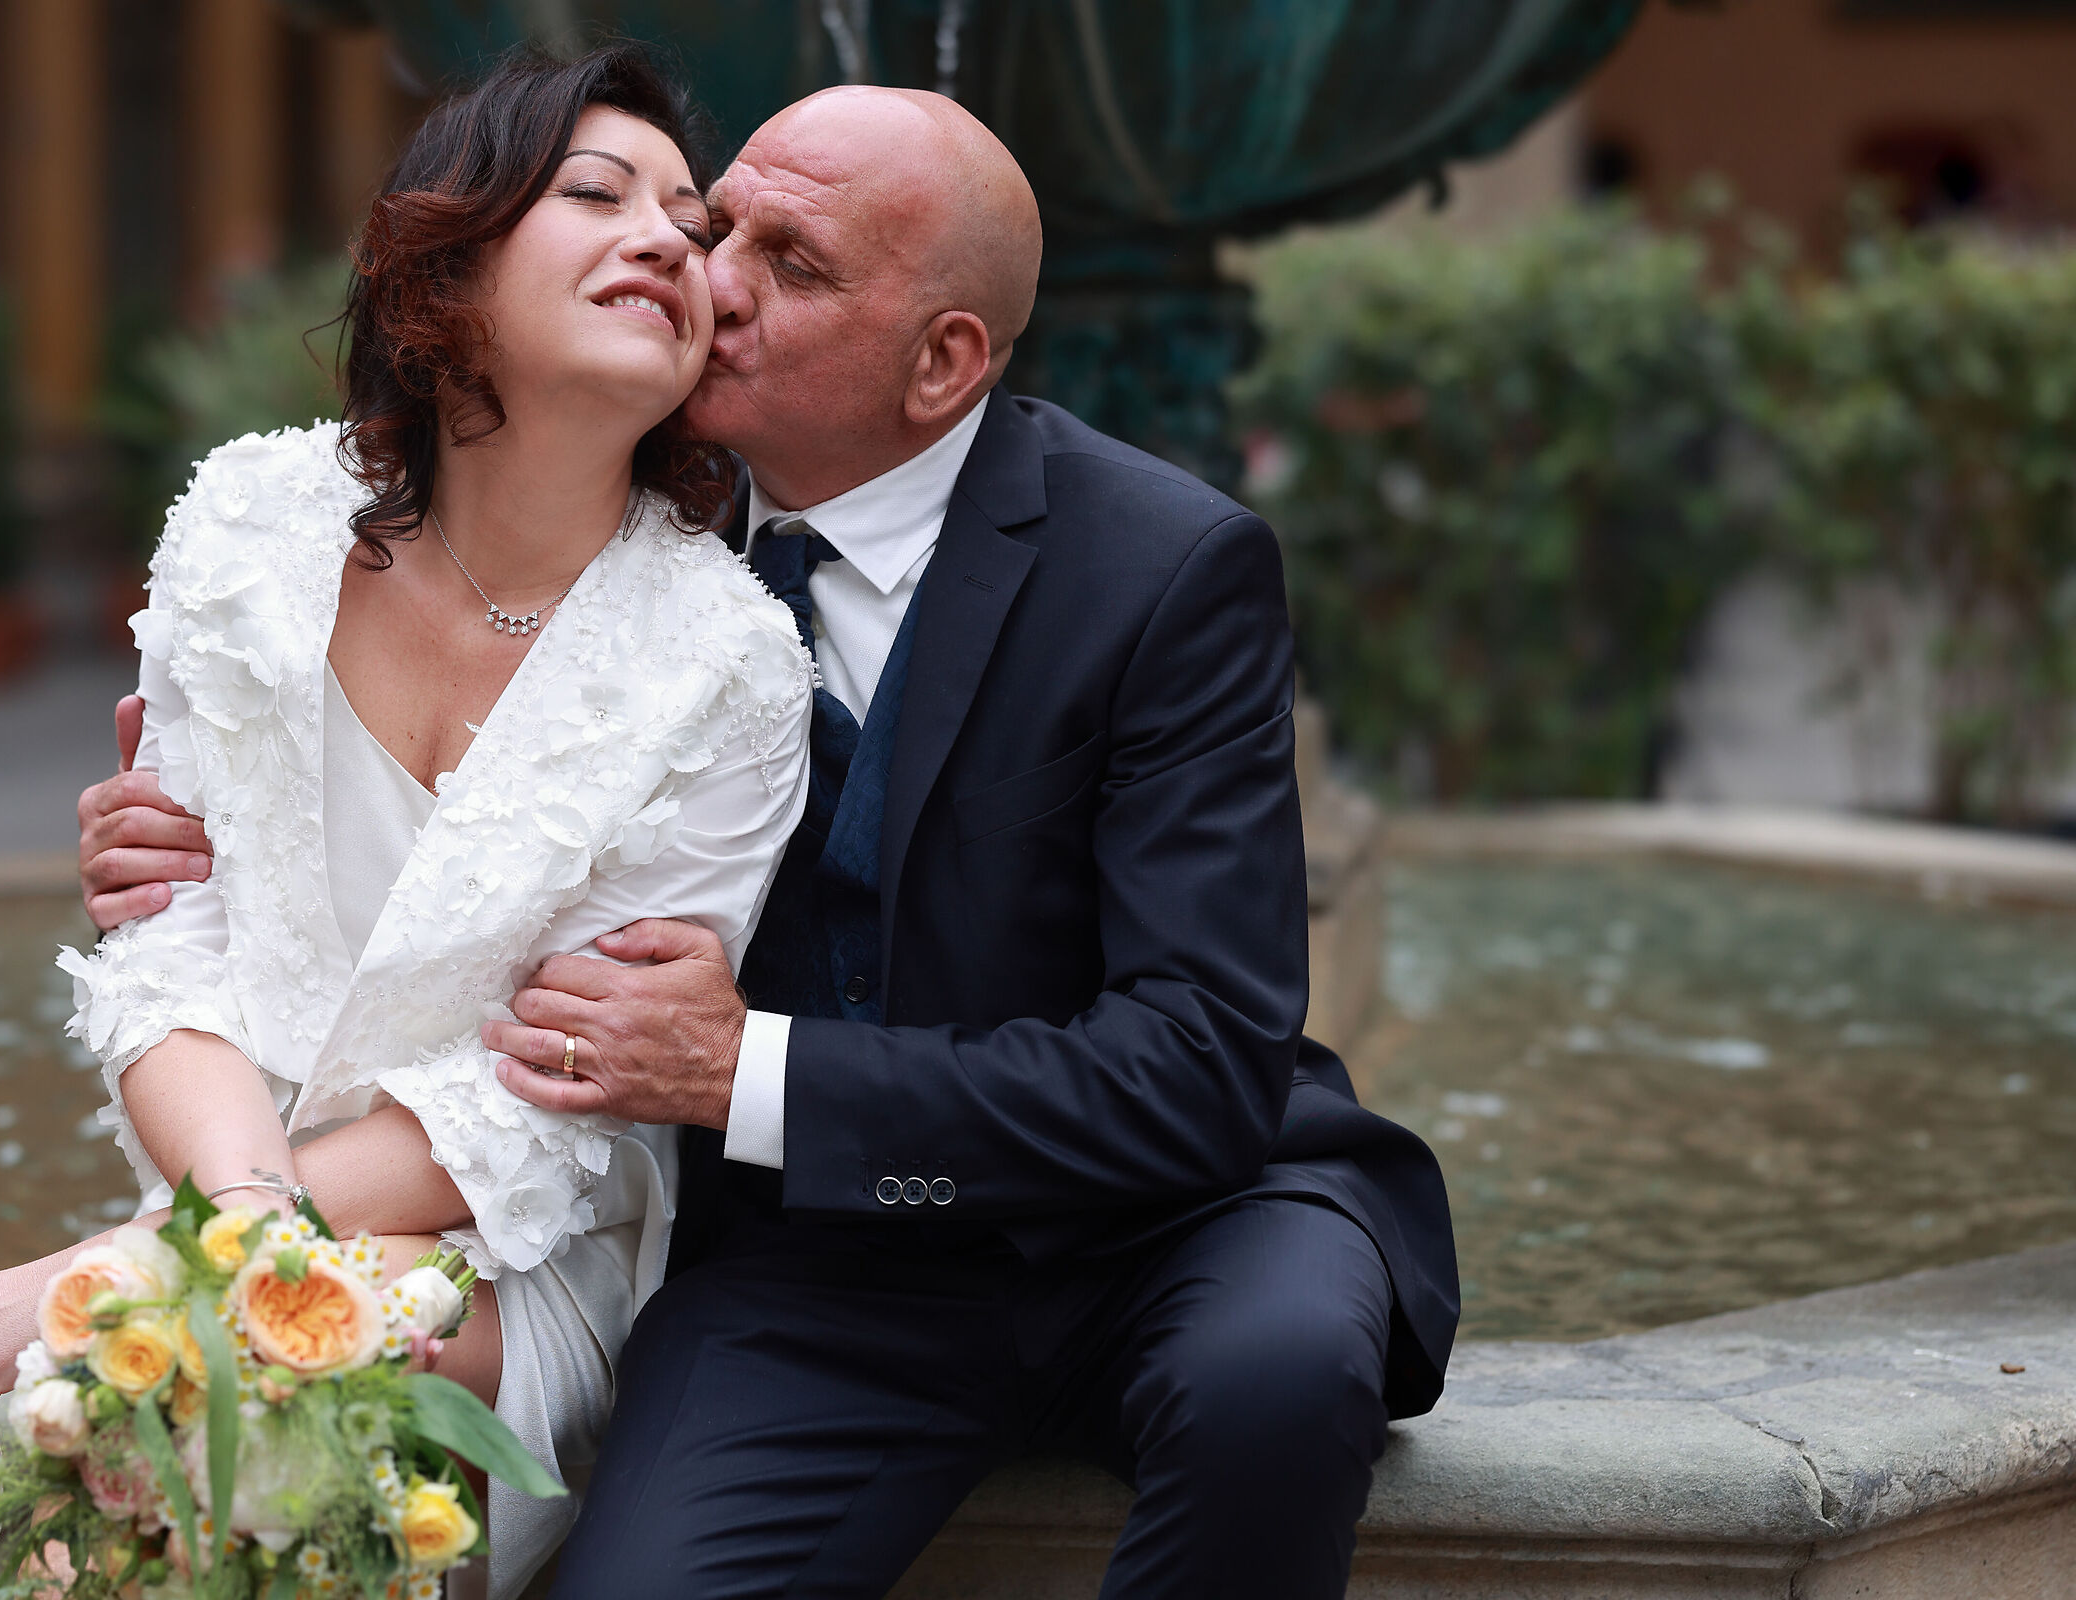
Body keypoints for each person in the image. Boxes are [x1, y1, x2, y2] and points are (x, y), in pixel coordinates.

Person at [82, 84, 1458, 1600]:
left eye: (790, 265)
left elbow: (1200, 1062)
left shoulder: (1160, 568)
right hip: (814, 1272)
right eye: (714, 219)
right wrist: (201, 835)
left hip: (1173, 1225)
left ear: (942, 365)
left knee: (1274, 1383)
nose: (706, 274)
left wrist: (746, 1072)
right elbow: (417, 836)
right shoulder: (605, 506)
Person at [0, 47, 811, 1599]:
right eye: (595, 193)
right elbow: (169, 952)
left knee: (277, 1381)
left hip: (518, 1255)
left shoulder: (731, 665)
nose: (665, 238)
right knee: (197, 1369)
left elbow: (549, 1109)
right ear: (452, 262)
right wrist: (219, 1242)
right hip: (245, 1174)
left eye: (690, 225)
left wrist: (100, 1285)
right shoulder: (250, 524)